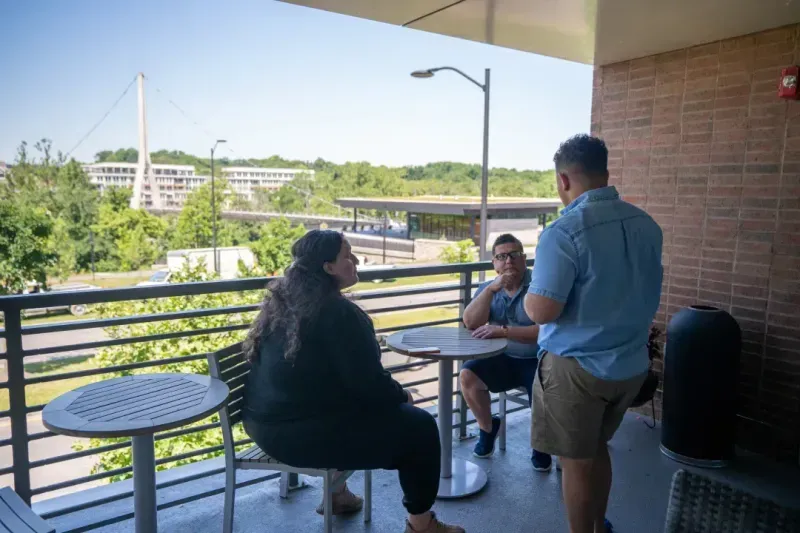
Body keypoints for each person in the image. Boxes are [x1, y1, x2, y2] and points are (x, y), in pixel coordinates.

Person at [241, 230, 465, 533]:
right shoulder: (338, 313)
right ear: (328, 267)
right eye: (347, 255)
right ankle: (422, 525)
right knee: (420, 427)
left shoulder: (284, 308)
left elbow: (331, 382)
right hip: (297, 437)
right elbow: (369, 386)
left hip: (263, 427)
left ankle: (337, 495)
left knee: (353, 411)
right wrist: (403, 396)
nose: (356, 259)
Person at [524, 134, 663, 533]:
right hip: (630, 365)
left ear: (563, 180)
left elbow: (542, 310)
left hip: (578, 371)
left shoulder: (563, 232)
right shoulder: (646, 224)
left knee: (575, 462)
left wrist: (532, 295)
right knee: (596, 449)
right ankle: (598, 526)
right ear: (604, 173)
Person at [459, 234, 552, 471]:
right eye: (501, 256)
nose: (508, 261)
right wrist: (490, 290)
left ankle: (541, 445)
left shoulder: (540, 288)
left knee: (542, 387)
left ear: (524, 259)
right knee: (467, 375)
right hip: (501, 359)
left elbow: (545, 331)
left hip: (537, 359)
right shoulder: (489, 288)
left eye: (514, 255)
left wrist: (502, 331)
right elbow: (470, 322)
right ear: (494, 263)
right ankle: (488, 429)